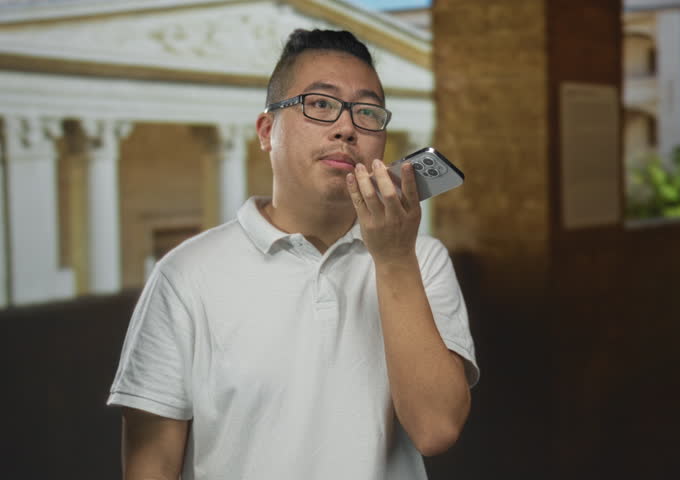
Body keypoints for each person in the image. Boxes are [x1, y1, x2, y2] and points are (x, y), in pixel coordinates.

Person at [107, 29, 478, 479]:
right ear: (267, 131)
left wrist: (394, 259)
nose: (347, 128)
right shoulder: (186, 274)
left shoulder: (423, 258)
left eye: (367, 112)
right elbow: (151, 465)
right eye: (320, 105)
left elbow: (436, 429)